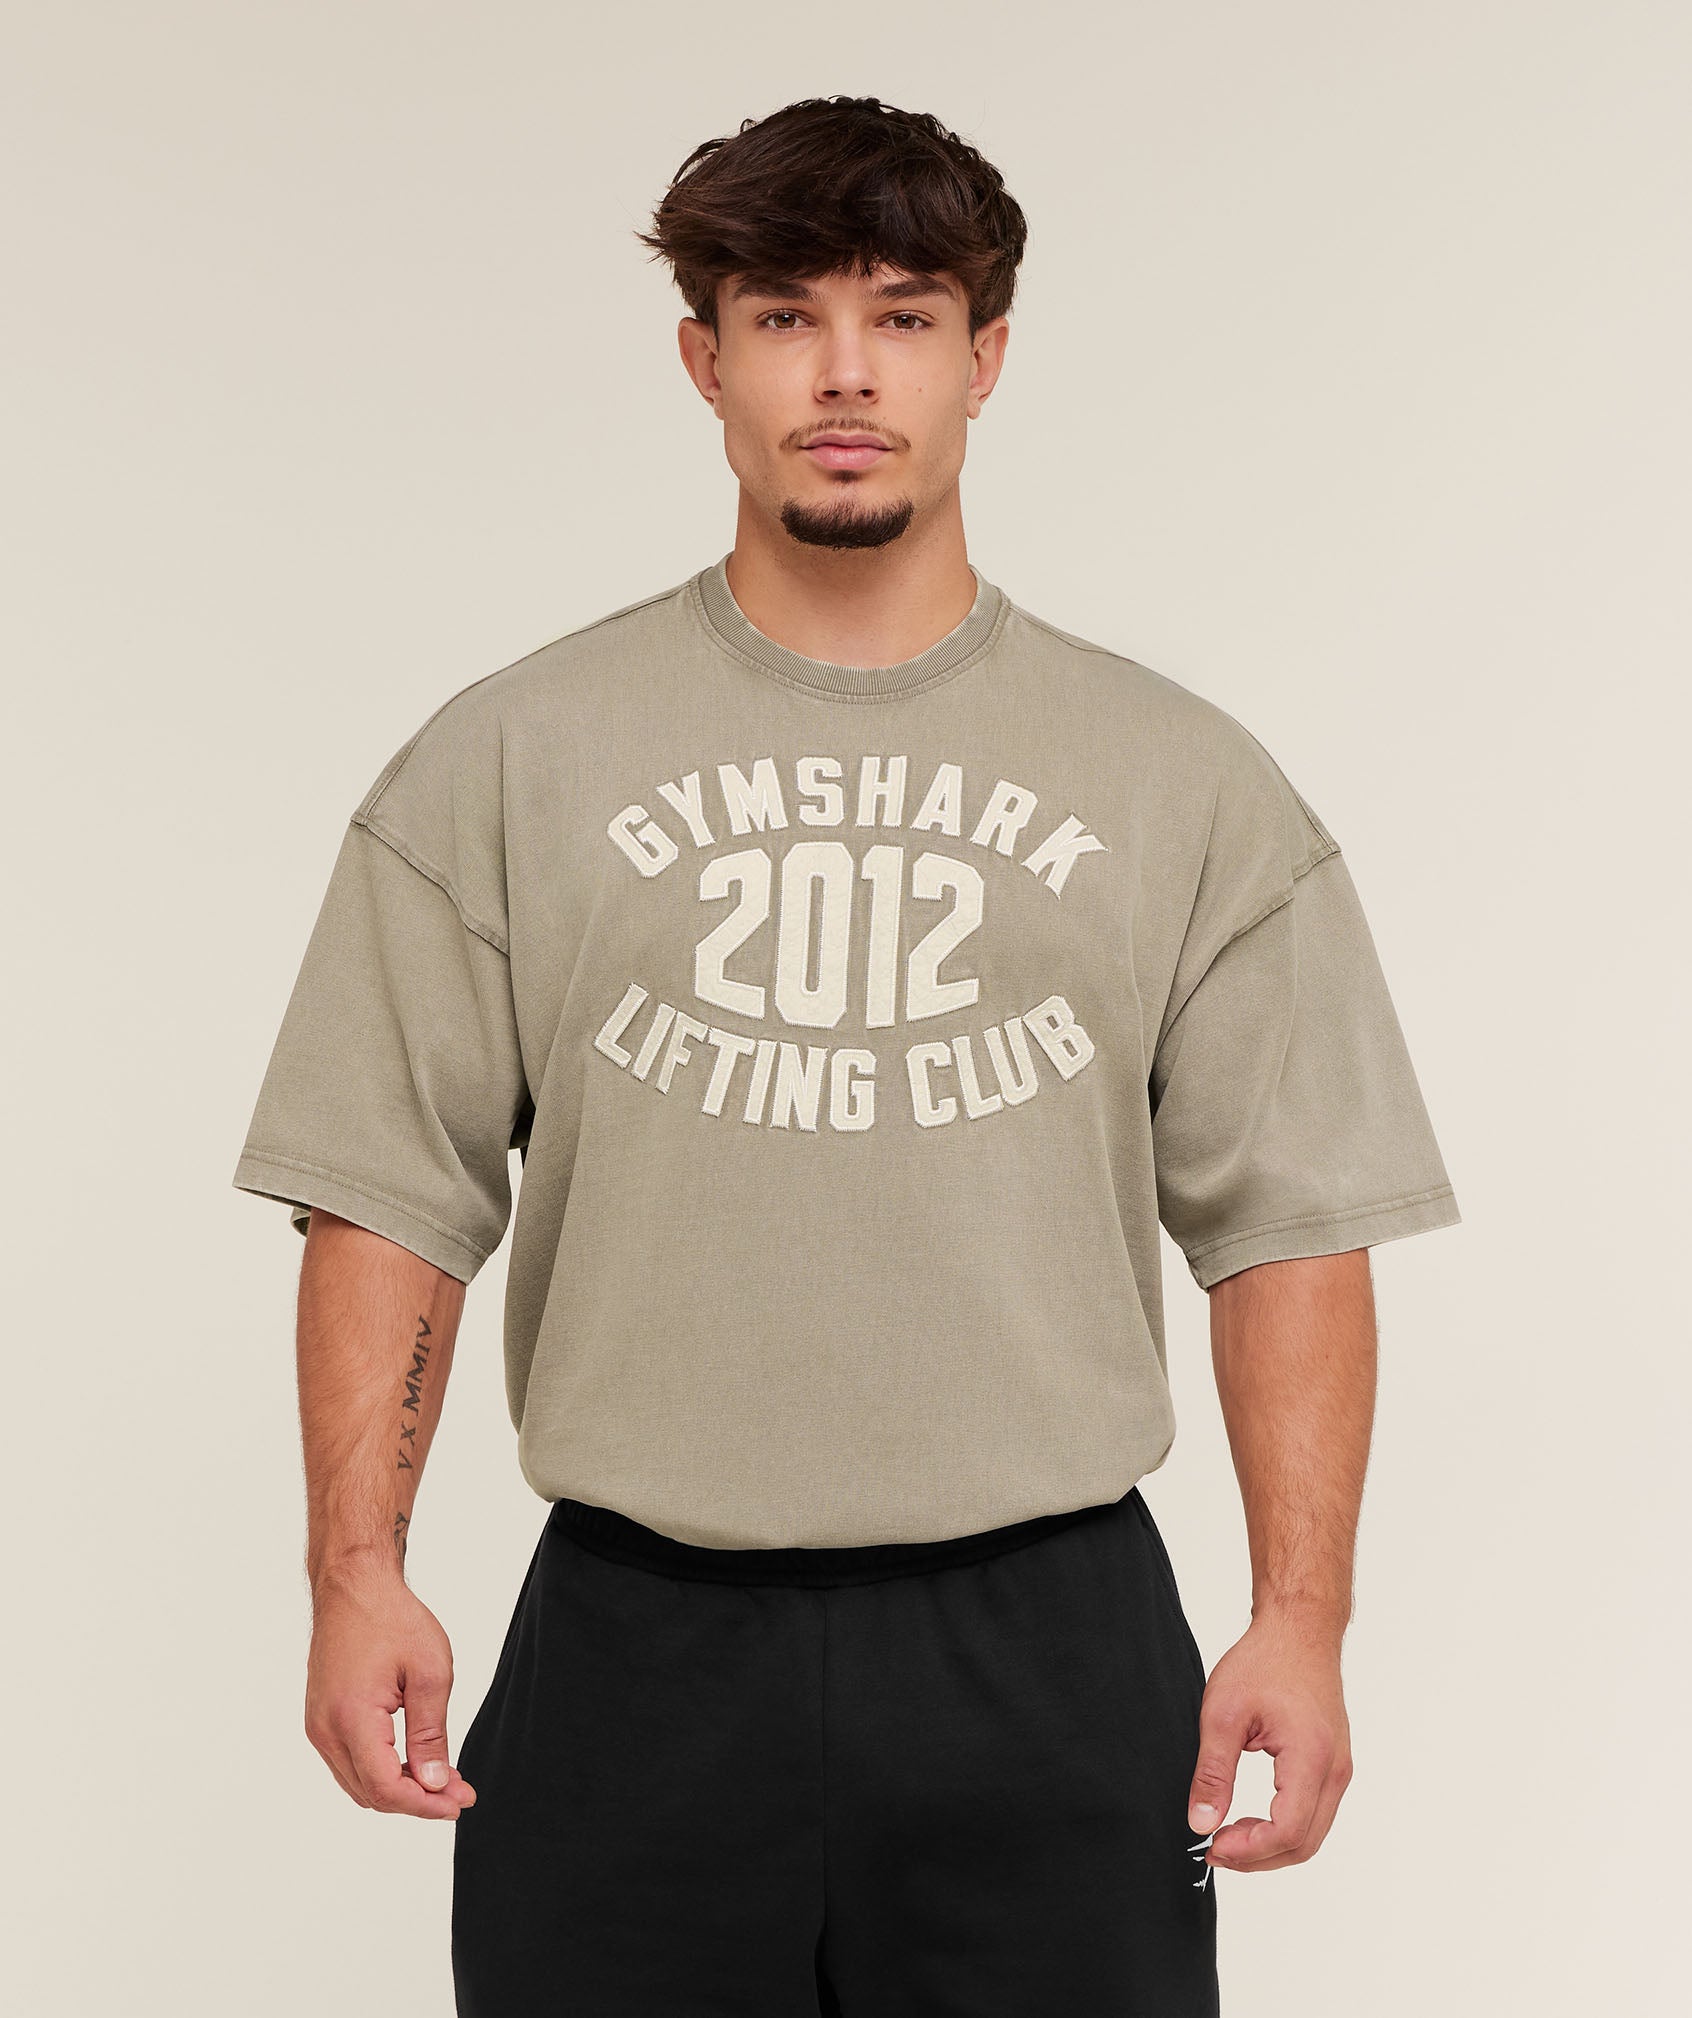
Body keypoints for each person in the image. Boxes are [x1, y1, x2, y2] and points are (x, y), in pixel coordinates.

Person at [232, 94, 1461, 2017]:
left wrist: (1302, 1617)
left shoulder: (1183, 783)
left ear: (986, 358)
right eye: (786, 315)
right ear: (704, 360)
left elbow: (1291, 1226)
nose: (845, 374)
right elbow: (388, 1190)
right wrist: (353, 1568)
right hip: (638, 1642)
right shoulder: (510, 759)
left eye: (904, 316)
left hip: (1050, 1646)